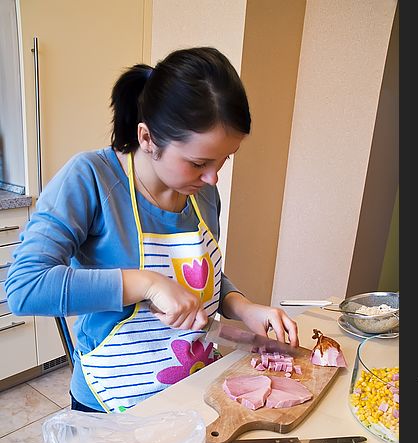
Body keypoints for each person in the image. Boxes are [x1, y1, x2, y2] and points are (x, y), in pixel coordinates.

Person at [5, 47, 298, 414]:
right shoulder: (92, 178)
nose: (213, 177)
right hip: (113, 405)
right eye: (198, 163)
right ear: (147, 138)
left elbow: (200, 275)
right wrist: (148, 284)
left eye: (224, 159)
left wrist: (243, 306)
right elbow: (25, 287)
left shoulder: (201, 193)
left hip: (192, 385)